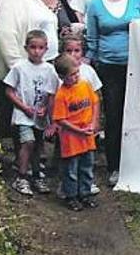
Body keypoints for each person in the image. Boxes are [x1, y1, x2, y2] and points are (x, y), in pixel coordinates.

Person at [85, 0, 140, 187]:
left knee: (137, 115)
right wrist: (90, 63)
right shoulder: (95, 4)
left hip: (137, 66)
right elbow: (92, 37)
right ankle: (114, 166)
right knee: (114, 116)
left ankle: (137, 164)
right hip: (109, 66)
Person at [0, 0, 57, 140]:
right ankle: (10, 155)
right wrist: (19, 69)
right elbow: (5, 35)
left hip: (35, 66)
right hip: (18, 68)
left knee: (30, 114)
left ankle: (30, 155)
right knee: (13, 113)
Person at [3, 29, 60, 196]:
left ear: (46, 49)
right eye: (33, 47)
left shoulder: (49, 70)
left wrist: (47, 112)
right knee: (28, 142)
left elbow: (52, 94)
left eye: (40, 48)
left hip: (40, 117)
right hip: (23, 115)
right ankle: (21, 176)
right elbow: (9, 90)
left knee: (38, 147)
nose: (37, 51)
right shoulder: (19, 68)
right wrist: (23, 107)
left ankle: (36, 175)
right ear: (26, 48)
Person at [52, 55, 100, 211]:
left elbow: (94, 102)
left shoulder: (85, 85)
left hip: (87, 136)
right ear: (62, 77)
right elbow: (60, 119)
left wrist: (93, 123)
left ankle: (84, 194)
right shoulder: (62, 95)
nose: (75, 77)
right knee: (71, 169)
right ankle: (71, 196)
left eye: (77, 73)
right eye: (72, 75)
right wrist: (78, 130)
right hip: (71, 139)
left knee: (87, 166)